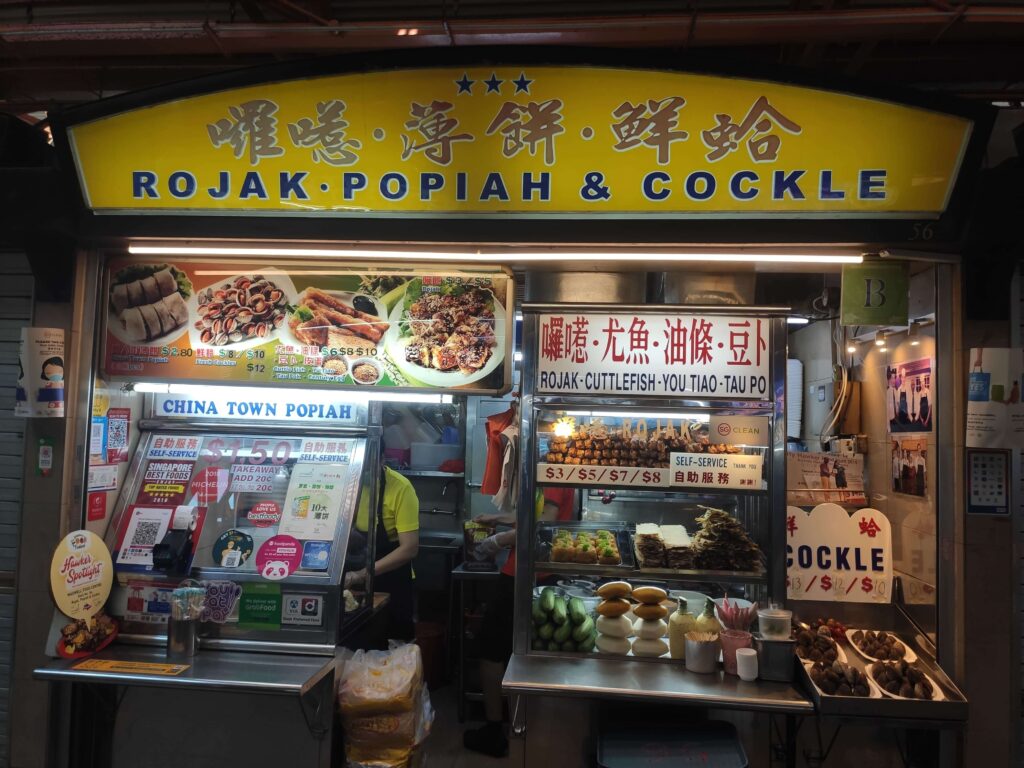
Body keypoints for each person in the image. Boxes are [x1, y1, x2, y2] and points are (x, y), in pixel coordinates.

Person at [462, 487, 575, 758]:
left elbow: (543, 525)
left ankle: (495, 731)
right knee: (518, 650)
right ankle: (527, 729)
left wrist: (499, 540)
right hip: (530, 569)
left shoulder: (552, 473)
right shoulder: (542, 469)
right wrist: (497, 518)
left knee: (490, 649)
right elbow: (531, 517)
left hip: (526, 573)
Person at [346, 463, 420, 642]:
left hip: (392, 580)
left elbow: (409, 548)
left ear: (381, 458)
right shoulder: (346, 483)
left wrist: (360, 575)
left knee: (392, 644)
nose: (364, 468)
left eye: (368, 463)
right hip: (351, 581)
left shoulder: (400, 487)